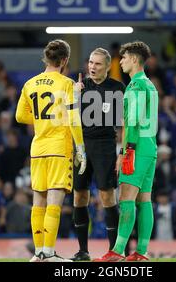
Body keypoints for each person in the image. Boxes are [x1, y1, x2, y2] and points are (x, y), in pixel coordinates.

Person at [15, 39, 86, 262]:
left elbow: (20, 116)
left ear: (46, 58)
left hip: (37, 148)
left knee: (38, 203)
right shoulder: (67, 84)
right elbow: (73, 118)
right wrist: (80, 148)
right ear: (64, 60)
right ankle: (48, 252)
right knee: (54, 202)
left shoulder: (30, 84)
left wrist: (40, 118)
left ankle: (38, 253)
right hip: (58, 147)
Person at [95, 41, 158, 262]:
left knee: (126, 198)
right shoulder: (150, 85)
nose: (120, 62)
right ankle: (141, 252)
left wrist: (125, 150)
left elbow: (134, 119)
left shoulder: (137, 86)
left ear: (133, 59)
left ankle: (118, 250)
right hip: (150, 147)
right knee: (144, 200)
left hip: (137, 147)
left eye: (123, 58)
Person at [71, 48, 125, 261]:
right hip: (81, 146)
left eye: (98, 64)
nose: (92, 67)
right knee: (79, 195)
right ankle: (83, 250)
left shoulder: (117, 88)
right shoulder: (80, 87)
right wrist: (74, 97)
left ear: (108, 66)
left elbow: (123, 123)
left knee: (107, 195)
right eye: (91, 63)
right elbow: (69, 117)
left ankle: (114, 251)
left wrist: (122, 151)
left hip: (104, 145)